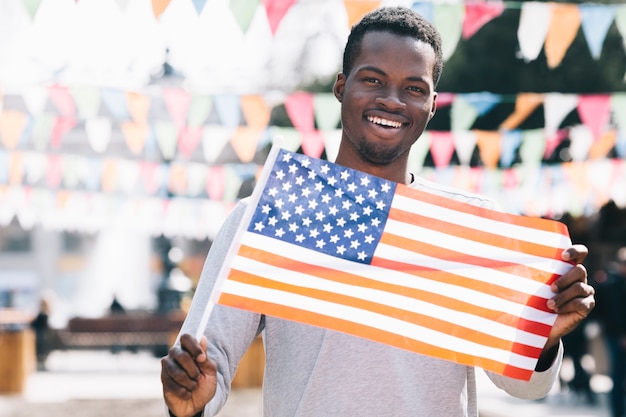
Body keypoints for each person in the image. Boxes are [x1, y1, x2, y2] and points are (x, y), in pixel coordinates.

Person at [160, 7, 595, 417]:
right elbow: (206, 361)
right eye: (373, 80)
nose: (392, 100)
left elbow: (524, 386)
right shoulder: (272, 215)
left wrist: (541, 339)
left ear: (431, 103)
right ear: (340, 86)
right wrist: (191, 399)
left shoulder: (467, 227)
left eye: (414, 88)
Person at [592, 247, 626, 417]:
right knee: (618, 375)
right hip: (615, 336)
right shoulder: (612, 285)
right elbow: (611, 312)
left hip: (614, 334)